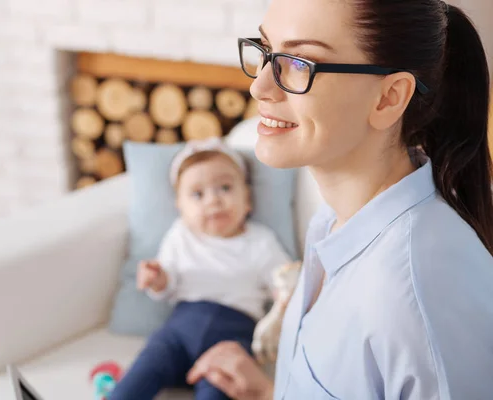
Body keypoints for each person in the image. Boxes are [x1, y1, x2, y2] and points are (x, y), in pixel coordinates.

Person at [186, 0, 493, 399]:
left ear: (389, 98)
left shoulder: (416, 293)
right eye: (265, 51)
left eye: (298, 62)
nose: (258, 85)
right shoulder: (333, 221)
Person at [108, 137, 294, 400]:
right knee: (150, 360)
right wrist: (156, 278)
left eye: (225, 188)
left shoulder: (260, 240)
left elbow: (282, 278)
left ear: (248, 199)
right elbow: (166, 283)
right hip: (178, 332)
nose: (213, 201)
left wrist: (284, 296)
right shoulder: (180, 235)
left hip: (231, 337)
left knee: (221, 385)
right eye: (198, 194)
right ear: (180, 207)